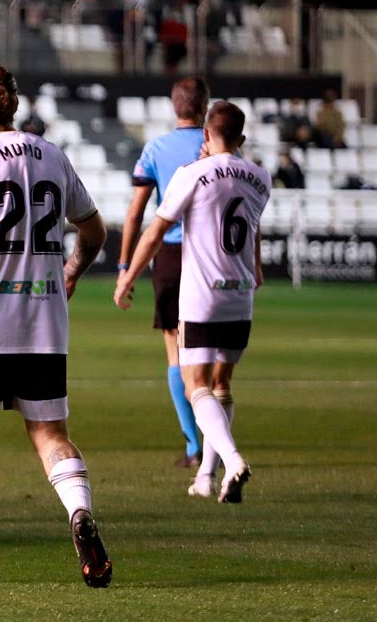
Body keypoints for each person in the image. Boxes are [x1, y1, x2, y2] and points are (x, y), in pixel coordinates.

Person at [0, 64, 112, 586]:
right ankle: (77, 510)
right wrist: (71, 272)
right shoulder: (51, 154)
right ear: (12, 104)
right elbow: (94, 230)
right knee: (51, 434)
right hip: (45, 324)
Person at [114, 101, 269, 503]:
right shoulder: (260, 178)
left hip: (202, 296)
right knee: (222, 384)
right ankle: (205, 475)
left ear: (205, 134)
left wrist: (127, 276)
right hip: (241, 296)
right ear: (242, 138)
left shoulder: (191, 174)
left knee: (194, 383)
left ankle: (232, 460)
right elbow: (251, 229)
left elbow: (154, 232)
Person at [119, 77, 208, 468]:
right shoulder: (216, 143)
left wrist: (125, 266)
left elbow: (137, 211)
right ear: (205, 105)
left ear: (175, 108)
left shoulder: (156, 148)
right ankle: (215, 435)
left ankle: (194, 446)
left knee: (175, 348)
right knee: (210, 351)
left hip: (170, 256)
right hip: (211, 257)